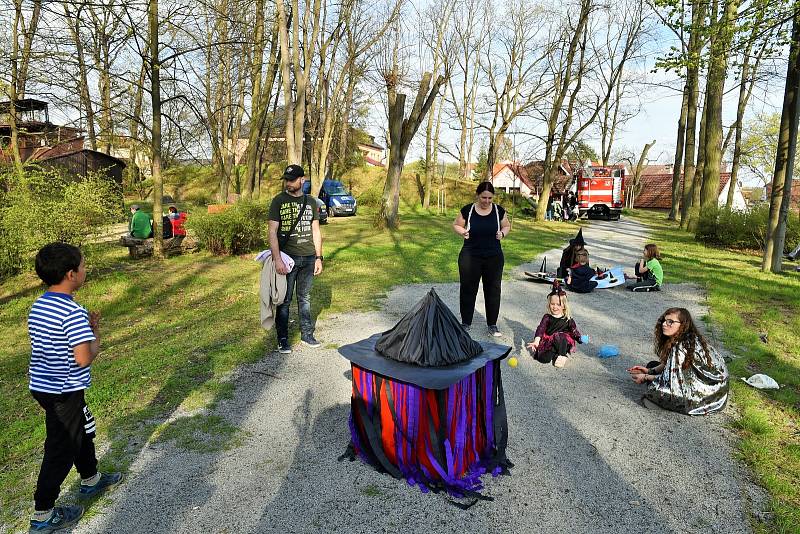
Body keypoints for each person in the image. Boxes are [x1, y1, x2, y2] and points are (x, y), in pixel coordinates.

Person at [27, 243, 122, 532]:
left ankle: (90, 479)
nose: (86, 269)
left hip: (44, 386)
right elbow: (83, 358)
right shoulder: (72, 311)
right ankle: (42, 514)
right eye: (83, 265)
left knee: (82, 428)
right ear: (71, 274)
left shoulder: (39, 305)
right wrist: (96, 336)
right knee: (61, 447)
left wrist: (87, 330)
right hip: (64, 391)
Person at [628, 308, 729, 415]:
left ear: (682, 325)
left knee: (650, 396)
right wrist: (650, 371)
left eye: (670, 322)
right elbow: (670, 365)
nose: (664, 324)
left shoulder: (681, 346)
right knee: (652, 365)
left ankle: (671, 405)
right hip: (717, 390)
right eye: (664, 320)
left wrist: (645, 377)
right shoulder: (688, 337)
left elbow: (674, 382)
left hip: (706, 394)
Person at [268, 164, 324, 354]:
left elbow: (316, 231)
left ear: (303, 180)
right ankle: (283, 339)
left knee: (305, 298)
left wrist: (319, 257)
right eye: (286, 179)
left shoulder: (311, 202)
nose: (288, 183)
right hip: (287, 259)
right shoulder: (278, 201)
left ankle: (307, 334)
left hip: (308, 257)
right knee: (284, 300)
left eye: (292, 180)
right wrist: (277, 259)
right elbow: (272, 231)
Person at [452, 181, 511, 337]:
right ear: (478, 195)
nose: (486, 201)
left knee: (493, 290)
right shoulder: (468, 210)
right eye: (483, 197)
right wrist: (462, 232)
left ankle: (492, 324)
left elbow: (506, 226)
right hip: (470, 256)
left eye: (490, 198)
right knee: (468, 289)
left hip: (494, 257)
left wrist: (503, 233)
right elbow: (456, 225)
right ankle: (465, 323)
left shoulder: (499, 211)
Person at [527, 283, 584, 368]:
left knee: (559, 336)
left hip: (563, 342)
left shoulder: (568, 319)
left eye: (558, 304)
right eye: (552, 304)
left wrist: (580, 338)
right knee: (543, 359)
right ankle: (555, 354)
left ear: (564, 306)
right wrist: (536, 341)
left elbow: (574, 330)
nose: (555, 307)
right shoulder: (547, 317)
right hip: (549, 341)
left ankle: (562, 355)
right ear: (549, 304)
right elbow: (541, 329)